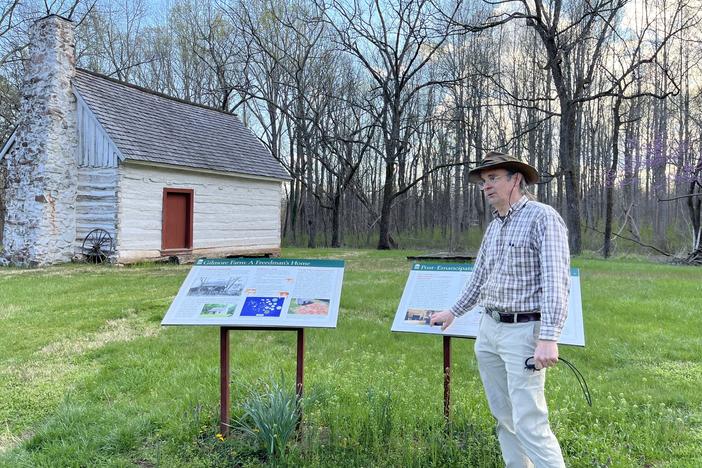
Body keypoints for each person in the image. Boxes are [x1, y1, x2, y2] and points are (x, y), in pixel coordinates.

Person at [430, 151, 570, 468]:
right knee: (504, 418)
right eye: (483, 181)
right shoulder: (495, 227)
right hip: (489, 331)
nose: (486, 186)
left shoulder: (542, 218)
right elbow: (480, 278)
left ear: (515, 179)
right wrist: (453, 311)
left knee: (529, 422)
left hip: (523, 334)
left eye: (493, 178)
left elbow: (555, 281)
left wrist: (548, 337)